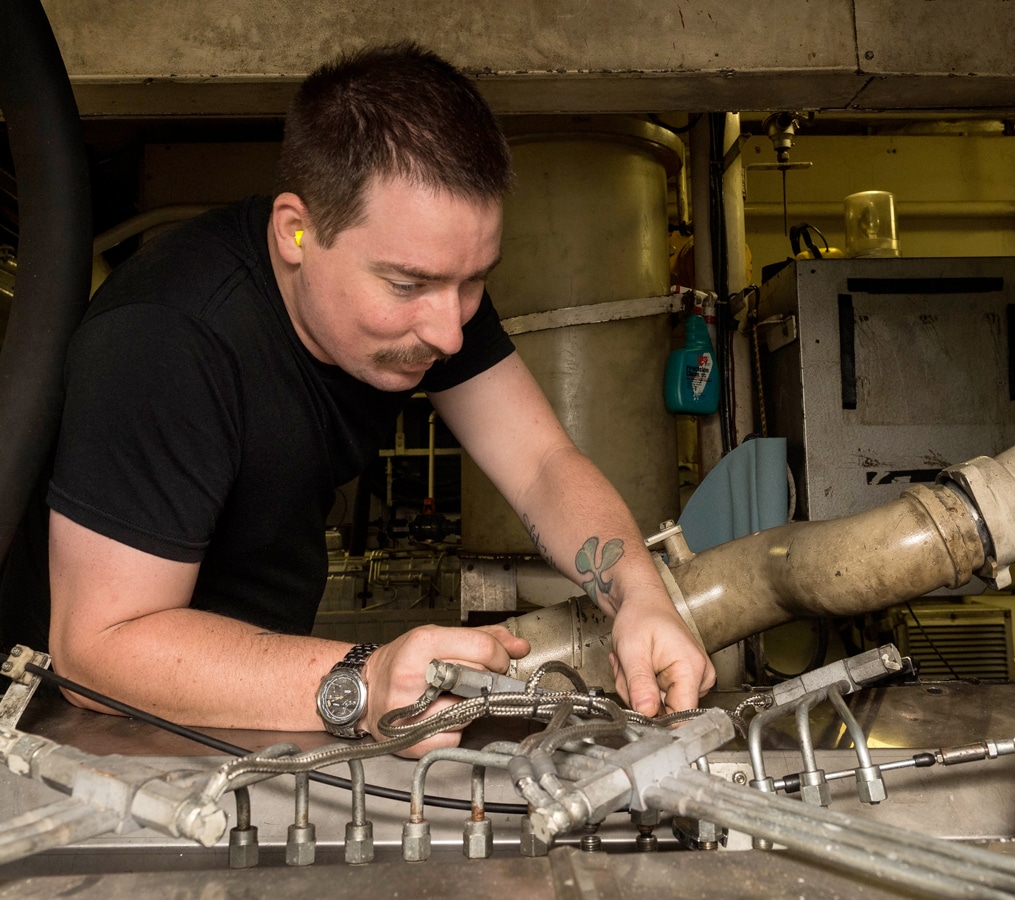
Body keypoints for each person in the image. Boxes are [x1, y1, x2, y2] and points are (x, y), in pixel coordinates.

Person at [1, 43, 714, 752]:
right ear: (296, 232)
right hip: (86, 735)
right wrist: (365, 681)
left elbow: (539, 463)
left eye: (473, 281)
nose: (450, 331)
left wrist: (640, 594)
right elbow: (96, 651)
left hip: (260, 703)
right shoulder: (166, 338)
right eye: (407, 285)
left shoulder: (437, 294)